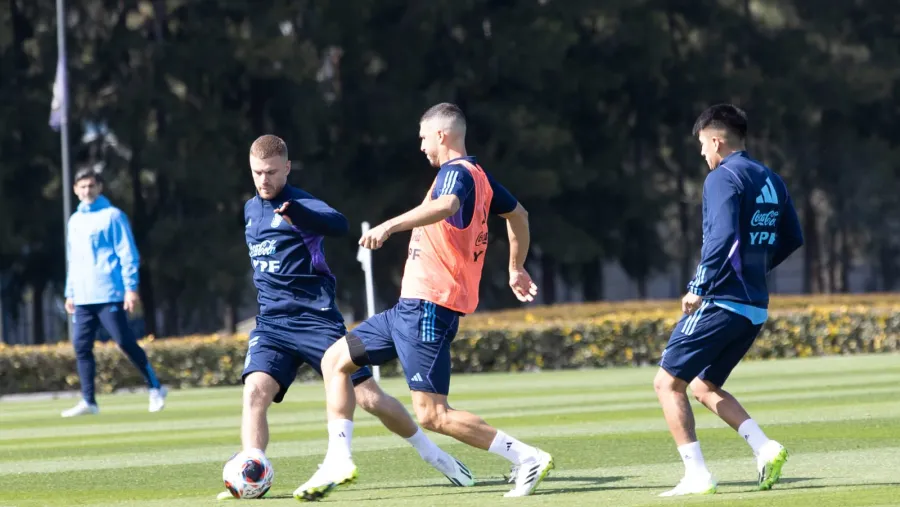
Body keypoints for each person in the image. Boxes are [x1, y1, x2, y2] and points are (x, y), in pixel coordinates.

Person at [295, 103, 552, 501]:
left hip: (430, 308)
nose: (420, 146)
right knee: (334, 361)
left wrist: (389, 225)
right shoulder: (479, 177)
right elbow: (519, 215)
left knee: (433, 415)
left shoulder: (457, 174)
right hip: (408, 308)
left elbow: (446, 207)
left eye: (423, 138)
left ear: (442, 136)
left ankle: (527, 457)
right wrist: (515, 267)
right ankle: (339, 459)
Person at [218, 135, 473, 500]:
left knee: (370, 398)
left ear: (286, 168)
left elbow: (338, 224)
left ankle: (435, 455)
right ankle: (251, 471)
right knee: (255, 392)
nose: (264, 180)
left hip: (316, 322)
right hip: (272, 325)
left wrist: (297, 213)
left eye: (272, 172)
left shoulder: (300, 203)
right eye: (257, 172)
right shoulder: (249, 209)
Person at [653, 104, 803, 496]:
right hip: (754, 305)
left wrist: (698, 286)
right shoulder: (771, 178)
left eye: (703, 145)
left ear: (716, 140)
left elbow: (721, 237)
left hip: (722, 299)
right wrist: (754, 268)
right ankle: (765, 447)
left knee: (667, 383)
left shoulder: (723, 177)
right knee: (704, 386)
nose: (703, 153)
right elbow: (793, 238)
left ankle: (697, 475)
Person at [62, 168, 166, 417]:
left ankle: (155, 387)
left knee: (124, 341)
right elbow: (72, 259)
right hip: (83, 296)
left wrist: (131, 288)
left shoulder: (113, 216)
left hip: (109, 292)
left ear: (99, 187)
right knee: (81, 346)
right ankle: (89, 400)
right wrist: (70, 292)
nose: (87, 191)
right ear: (76, 190)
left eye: (91, 186)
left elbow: (127, 253)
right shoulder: (74, 221)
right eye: (82, 186)